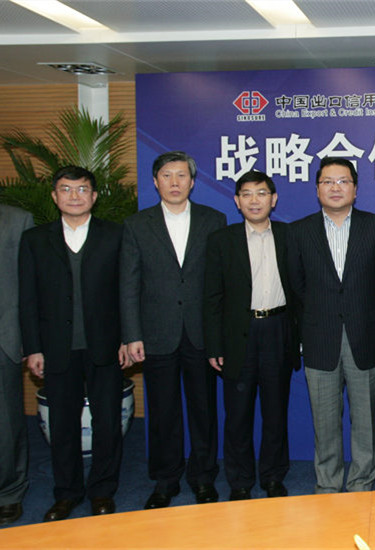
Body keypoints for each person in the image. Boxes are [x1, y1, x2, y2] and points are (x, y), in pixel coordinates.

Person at [19, 166, 131, 521]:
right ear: (55, 196)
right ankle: (66, 493)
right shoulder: (35, 239)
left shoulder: (115, 235)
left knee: (107, 422)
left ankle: (102, 490)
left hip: (106, 346)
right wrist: (33, 347)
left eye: (82, 189)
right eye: (66, 190)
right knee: (63, 424)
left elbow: (128, 292)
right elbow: (28, 298)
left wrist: (128, 338)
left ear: (94, 196)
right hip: (56, 347)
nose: (74, 196)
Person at [120, 151, 227, 508]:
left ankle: (203, 477)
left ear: (192, 182)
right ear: (155, 181)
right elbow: (129, 284)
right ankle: (165, 480)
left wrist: (219, 335)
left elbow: (220, 284)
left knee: (203, 409)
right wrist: (132, 334)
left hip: (200, 332)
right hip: (156, 333)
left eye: (181, 175)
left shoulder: (213, 220)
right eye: (167, 175)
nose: (175, 182)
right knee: (162, 411)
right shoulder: (137, 224)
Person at [290, 158, 375, 493]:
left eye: (343, 181)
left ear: (355, 189)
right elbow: (296, 287)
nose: (335, 188)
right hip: (319, 338)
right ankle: (328, 484)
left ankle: (362, 482)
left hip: (365, 336)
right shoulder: (299, 231)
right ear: (317, 189)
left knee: (365, 420)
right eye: (328, 181)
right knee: (324, 421)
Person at [203, 170, 298, 500]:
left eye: (261, 193)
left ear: (274, 199)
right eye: (246, 194)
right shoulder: (221, 240)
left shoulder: (289, 235)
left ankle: (273, 476)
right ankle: (240, 481)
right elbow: (212, 298)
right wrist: (214, 344)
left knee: (275, 412)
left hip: (278, 329)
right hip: (238, 334)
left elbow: (302, 289)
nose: (254, 200)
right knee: (238, 414)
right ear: (236, 201)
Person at [0, 204, 32, 525]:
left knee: (6, 421)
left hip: (3, 335)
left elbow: (29, 282)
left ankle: (8, 491)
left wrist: (27, 337)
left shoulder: (17, 220)